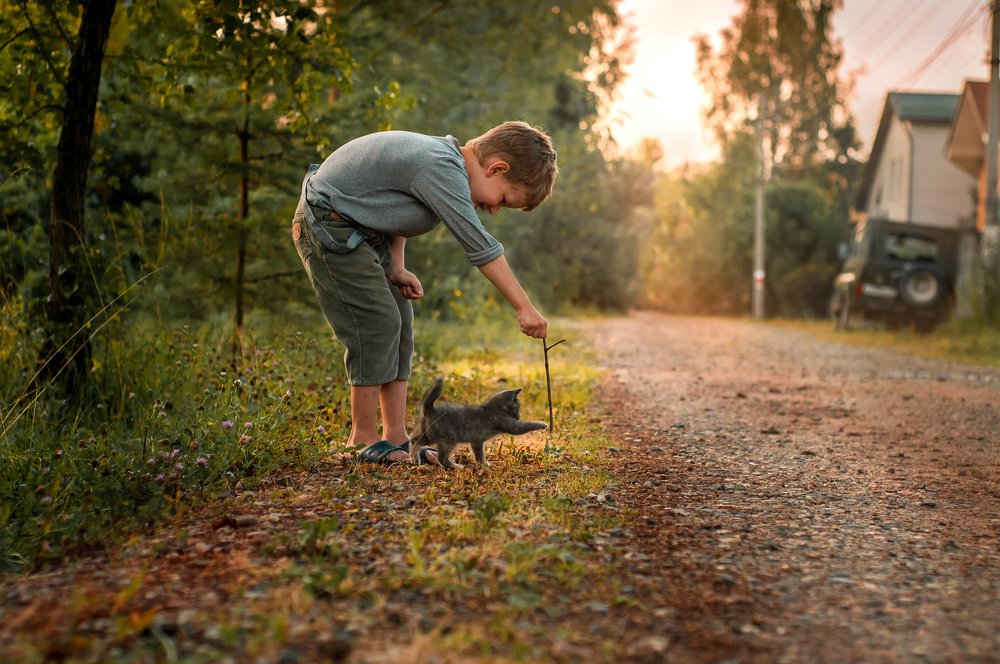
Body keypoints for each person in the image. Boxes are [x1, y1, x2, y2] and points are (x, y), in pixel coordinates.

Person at [291, 121, 558, 464]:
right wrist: (524, 307)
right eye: (503, 200)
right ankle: (361, 438)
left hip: (360, 229)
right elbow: (479, 245)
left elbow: (392, 211)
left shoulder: (441, 165)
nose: (493, 209)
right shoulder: (442, 168)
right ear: (496, 168)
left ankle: (396, 437)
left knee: (400, 317)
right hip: (327, 223)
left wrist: (397, 267)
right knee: (379, 322)